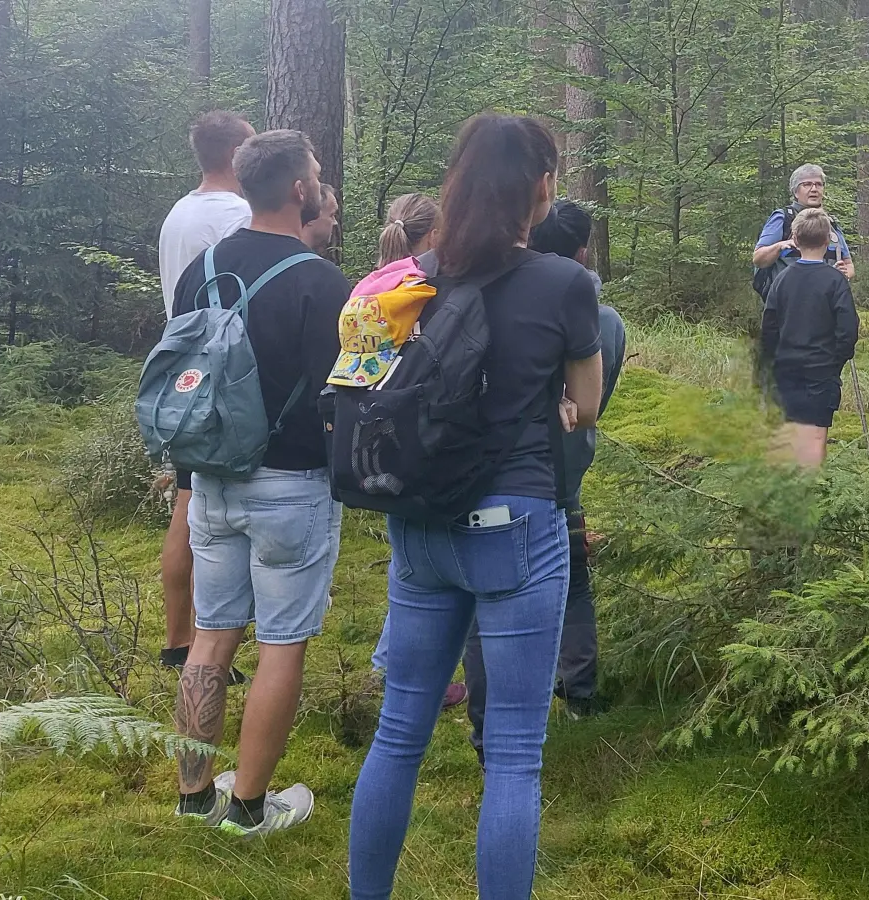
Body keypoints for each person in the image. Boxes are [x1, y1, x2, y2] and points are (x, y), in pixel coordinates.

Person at [348, 114, 603, 900]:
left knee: (399, 733)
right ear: (541, 187)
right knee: (516, 755)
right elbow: (587, 405)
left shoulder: (409, 279)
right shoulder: (565, 283)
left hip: (421, 524)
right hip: (516, 523)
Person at [168, 129, 349, 836]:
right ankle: (248, 808)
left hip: (211, 480)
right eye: (316, 173)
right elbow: (340, 395)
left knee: (211, 638)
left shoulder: (204, 267)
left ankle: (193, 797)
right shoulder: (320, 282)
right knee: (281, 645)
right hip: (291, 486)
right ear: (300, 189)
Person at [462, 198, 627, 741]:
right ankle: (579, 690)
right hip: (564, 470)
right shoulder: (606, 322)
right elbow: (593, 403)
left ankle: (488, 722)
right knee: (573, 581)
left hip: (495, 474)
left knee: (487, 594)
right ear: (583, 252)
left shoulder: (494, 300)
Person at [155, 110, 254, 684]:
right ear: (237, 153)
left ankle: (180, 638)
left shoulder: (179, 213)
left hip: (181, 368)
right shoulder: (235, 214)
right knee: (206, 511)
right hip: (220, 368)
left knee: (187, 501)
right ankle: (205, 644)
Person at [357, 193, 467, 711]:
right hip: (421, 434)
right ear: (435, 235)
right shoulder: (423, 287)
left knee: (406, 560)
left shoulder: (373, 284)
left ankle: (389, 664)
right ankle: (408, 673)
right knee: (427, 571)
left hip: (375, 437)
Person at [760, 207, 860, 469]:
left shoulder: (781, 280)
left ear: (794, 238)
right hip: (822, 369)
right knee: (816, 433)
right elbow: (848, 328)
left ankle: (789, 482)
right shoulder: (836, 281)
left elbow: (769, 327)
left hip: (786, 368)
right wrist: (836, 361)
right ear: (828, 240)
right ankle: (813, 484)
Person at [752, 164, 856, 287]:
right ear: (795, 191)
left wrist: (843, 274)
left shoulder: (831, 223)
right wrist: (780, 246)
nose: (814, 189)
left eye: (819, 184)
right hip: (789, 295)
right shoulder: (783, 218)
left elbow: (849, 265)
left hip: (826, 295)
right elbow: (758, 259)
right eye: (807, 184)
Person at [302, 184, 339, 254]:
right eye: (331, 215)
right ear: (311, 216)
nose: (335, 222)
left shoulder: (280, 252)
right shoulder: (309, 261)